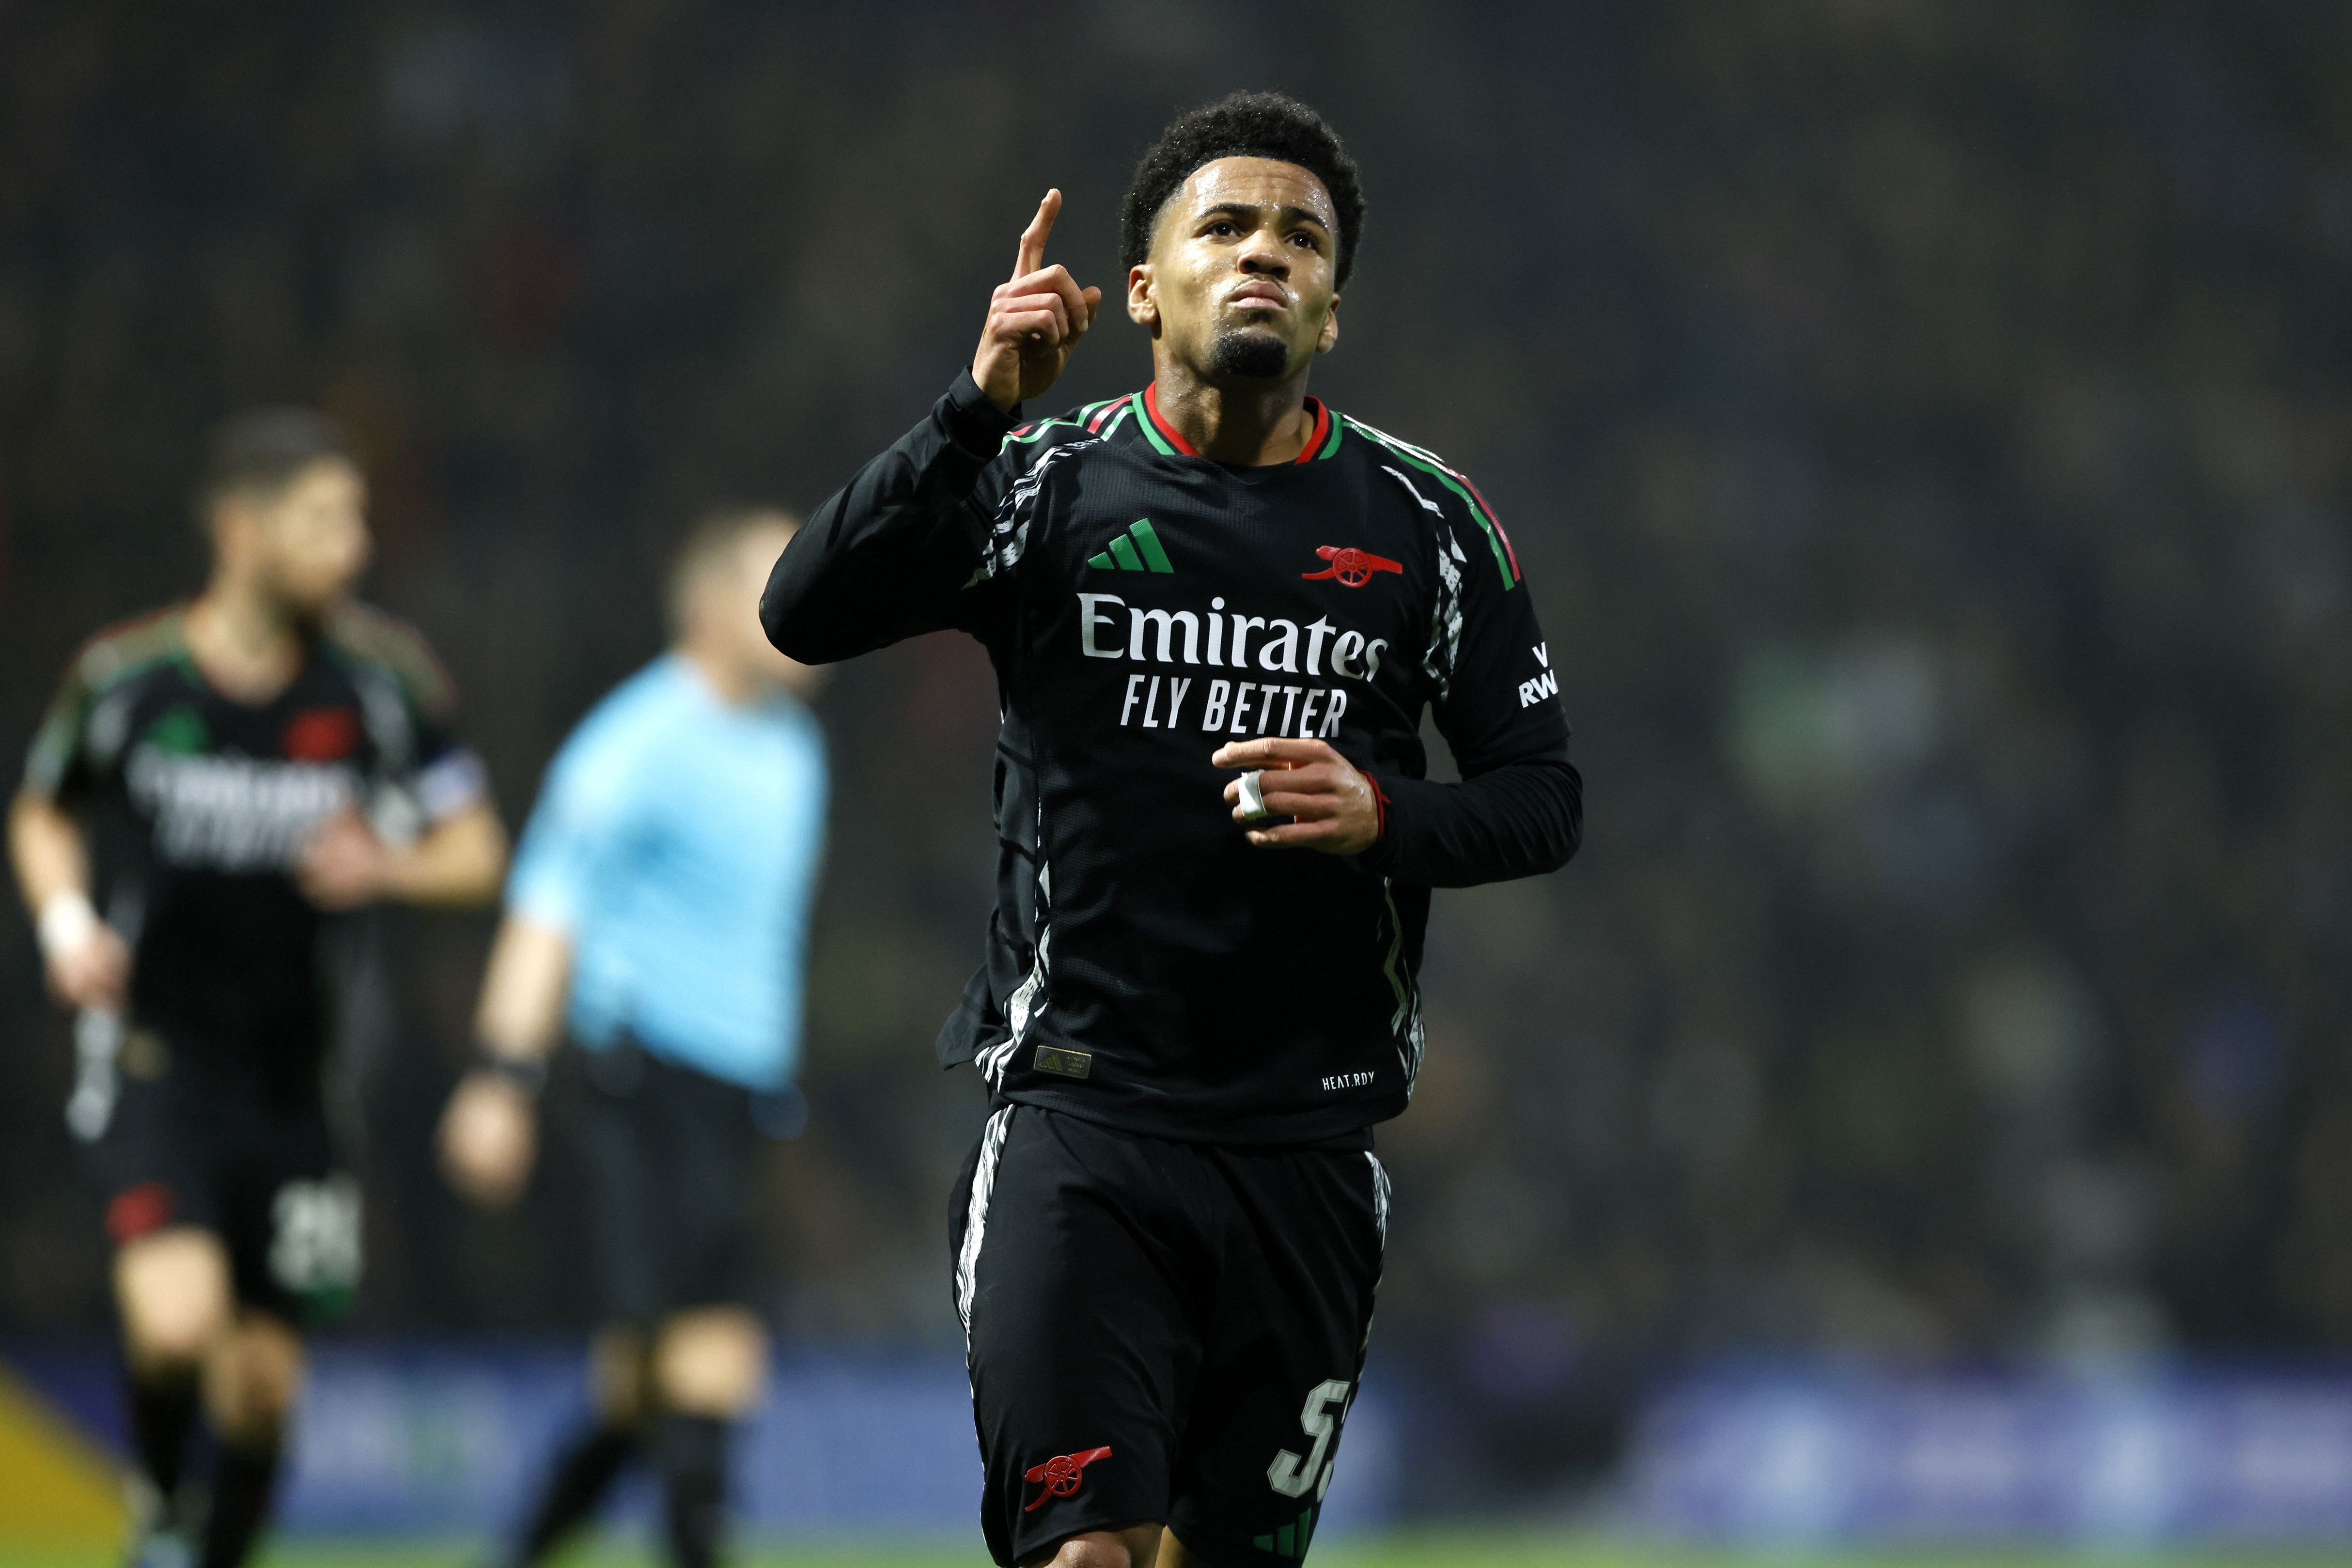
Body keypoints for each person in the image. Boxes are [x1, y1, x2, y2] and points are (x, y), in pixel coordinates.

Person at [760, 92, 1582, 1568]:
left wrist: (1385, 812)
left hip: (1308, 1146)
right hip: (1083, 1120)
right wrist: (974, 407)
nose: (1265, 252)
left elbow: (1543, 794)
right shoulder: (1045, 482)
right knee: (1088, 1556)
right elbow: (802, 611)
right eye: (1226, 227)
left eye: (1302, 238)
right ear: (1145, 289)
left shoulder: (1428, 521)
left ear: (1333, 305)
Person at [8, 409, 509, 1568]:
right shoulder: (128, 679)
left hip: (302, 1079)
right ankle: (155, 1514)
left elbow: (478, 846)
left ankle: (208, 1553)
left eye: (357, 519)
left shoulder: (383, 678)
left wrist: (388, 862)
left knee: (264, 1393)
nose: (356, 545)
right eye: (325, 520)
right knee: (178, 1325)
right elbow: (42, 807)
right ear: (241, 530)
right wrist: (66, 919)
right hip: (157, 1054)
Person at [438, 509, 828, 1568]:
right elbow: (546, 907)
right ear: (710, 610)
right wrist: (500, 1077)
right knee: (708, 1363)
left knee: (642, 1378)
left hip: (741, 1097)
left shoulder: (794, 749)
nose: (820, 590)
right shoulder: (636, 741)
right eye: (784, 577)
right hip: (638, 1080)